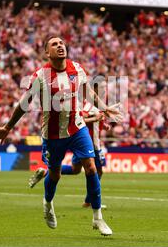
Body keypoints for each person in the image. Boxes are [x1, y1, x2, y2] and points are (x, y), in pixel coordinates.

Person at [0, 36, 122, 236]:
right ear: (46, 53)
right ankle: (48, 203)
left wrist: (104, 107)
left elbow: (87, 94)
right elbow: (24, 104)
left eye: (61, 43)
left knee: (91, 167)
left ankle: (97, 218)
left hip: (77, 128)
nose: (60, 46)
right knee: (55, 174)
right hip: (52, 135)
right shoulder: (40, 76)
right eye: (54, 44)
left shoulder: (77, 68)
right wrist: (8, 127)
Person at [28, 76, 110, 209]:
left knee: (75, 169)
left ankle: (45, 172)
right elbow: (80, 119)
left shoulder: (96, 104)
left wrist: (102, 124)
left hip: (85, 142)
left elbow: (95, 118)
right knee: (97, 171)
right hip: (88, 143)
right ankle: (89, 201)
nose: (104, 90)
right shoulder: (89, 104)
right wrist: (96, 118)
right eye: (101, 87)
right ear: (94, 88)